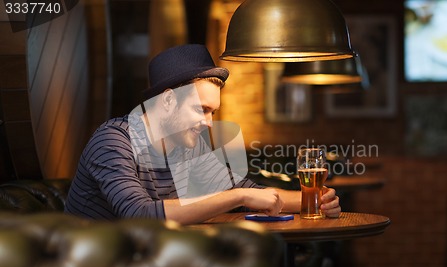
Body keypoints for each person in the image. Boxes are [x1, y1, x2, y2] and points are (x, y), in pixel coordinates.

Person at [64, 44, 341, 225]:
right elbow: (141, 215)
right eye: (201, 109)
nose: (209, 123)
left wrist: (315, 196)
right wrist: (236, 198)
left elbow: (252, 192)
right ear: (169, 101)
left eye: (213, 113)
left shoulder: (185, 146)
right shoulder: (113, 141)